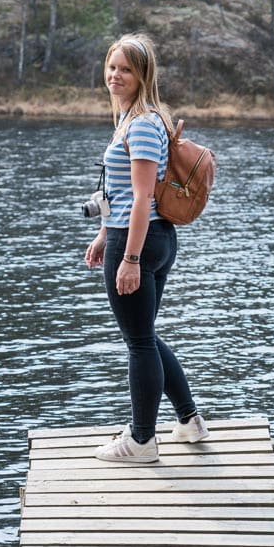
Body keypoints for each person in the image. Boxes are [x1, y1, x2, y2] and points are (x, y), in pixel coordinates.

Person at [84, 33, 209, 463]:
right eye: (112, 67)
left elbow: (141, 197)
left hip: (138, 241)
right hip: (154, 237)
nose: (115, 76)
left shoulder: (139, 125)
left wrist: (130, 257)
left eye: (125, 70)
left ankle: (140, 441)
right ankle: (189, 421)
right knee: (146, 337)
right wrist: (103, 233)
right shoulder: (146, 119)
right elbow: (123, 194)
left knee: (138, 342)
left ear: (143, 76)